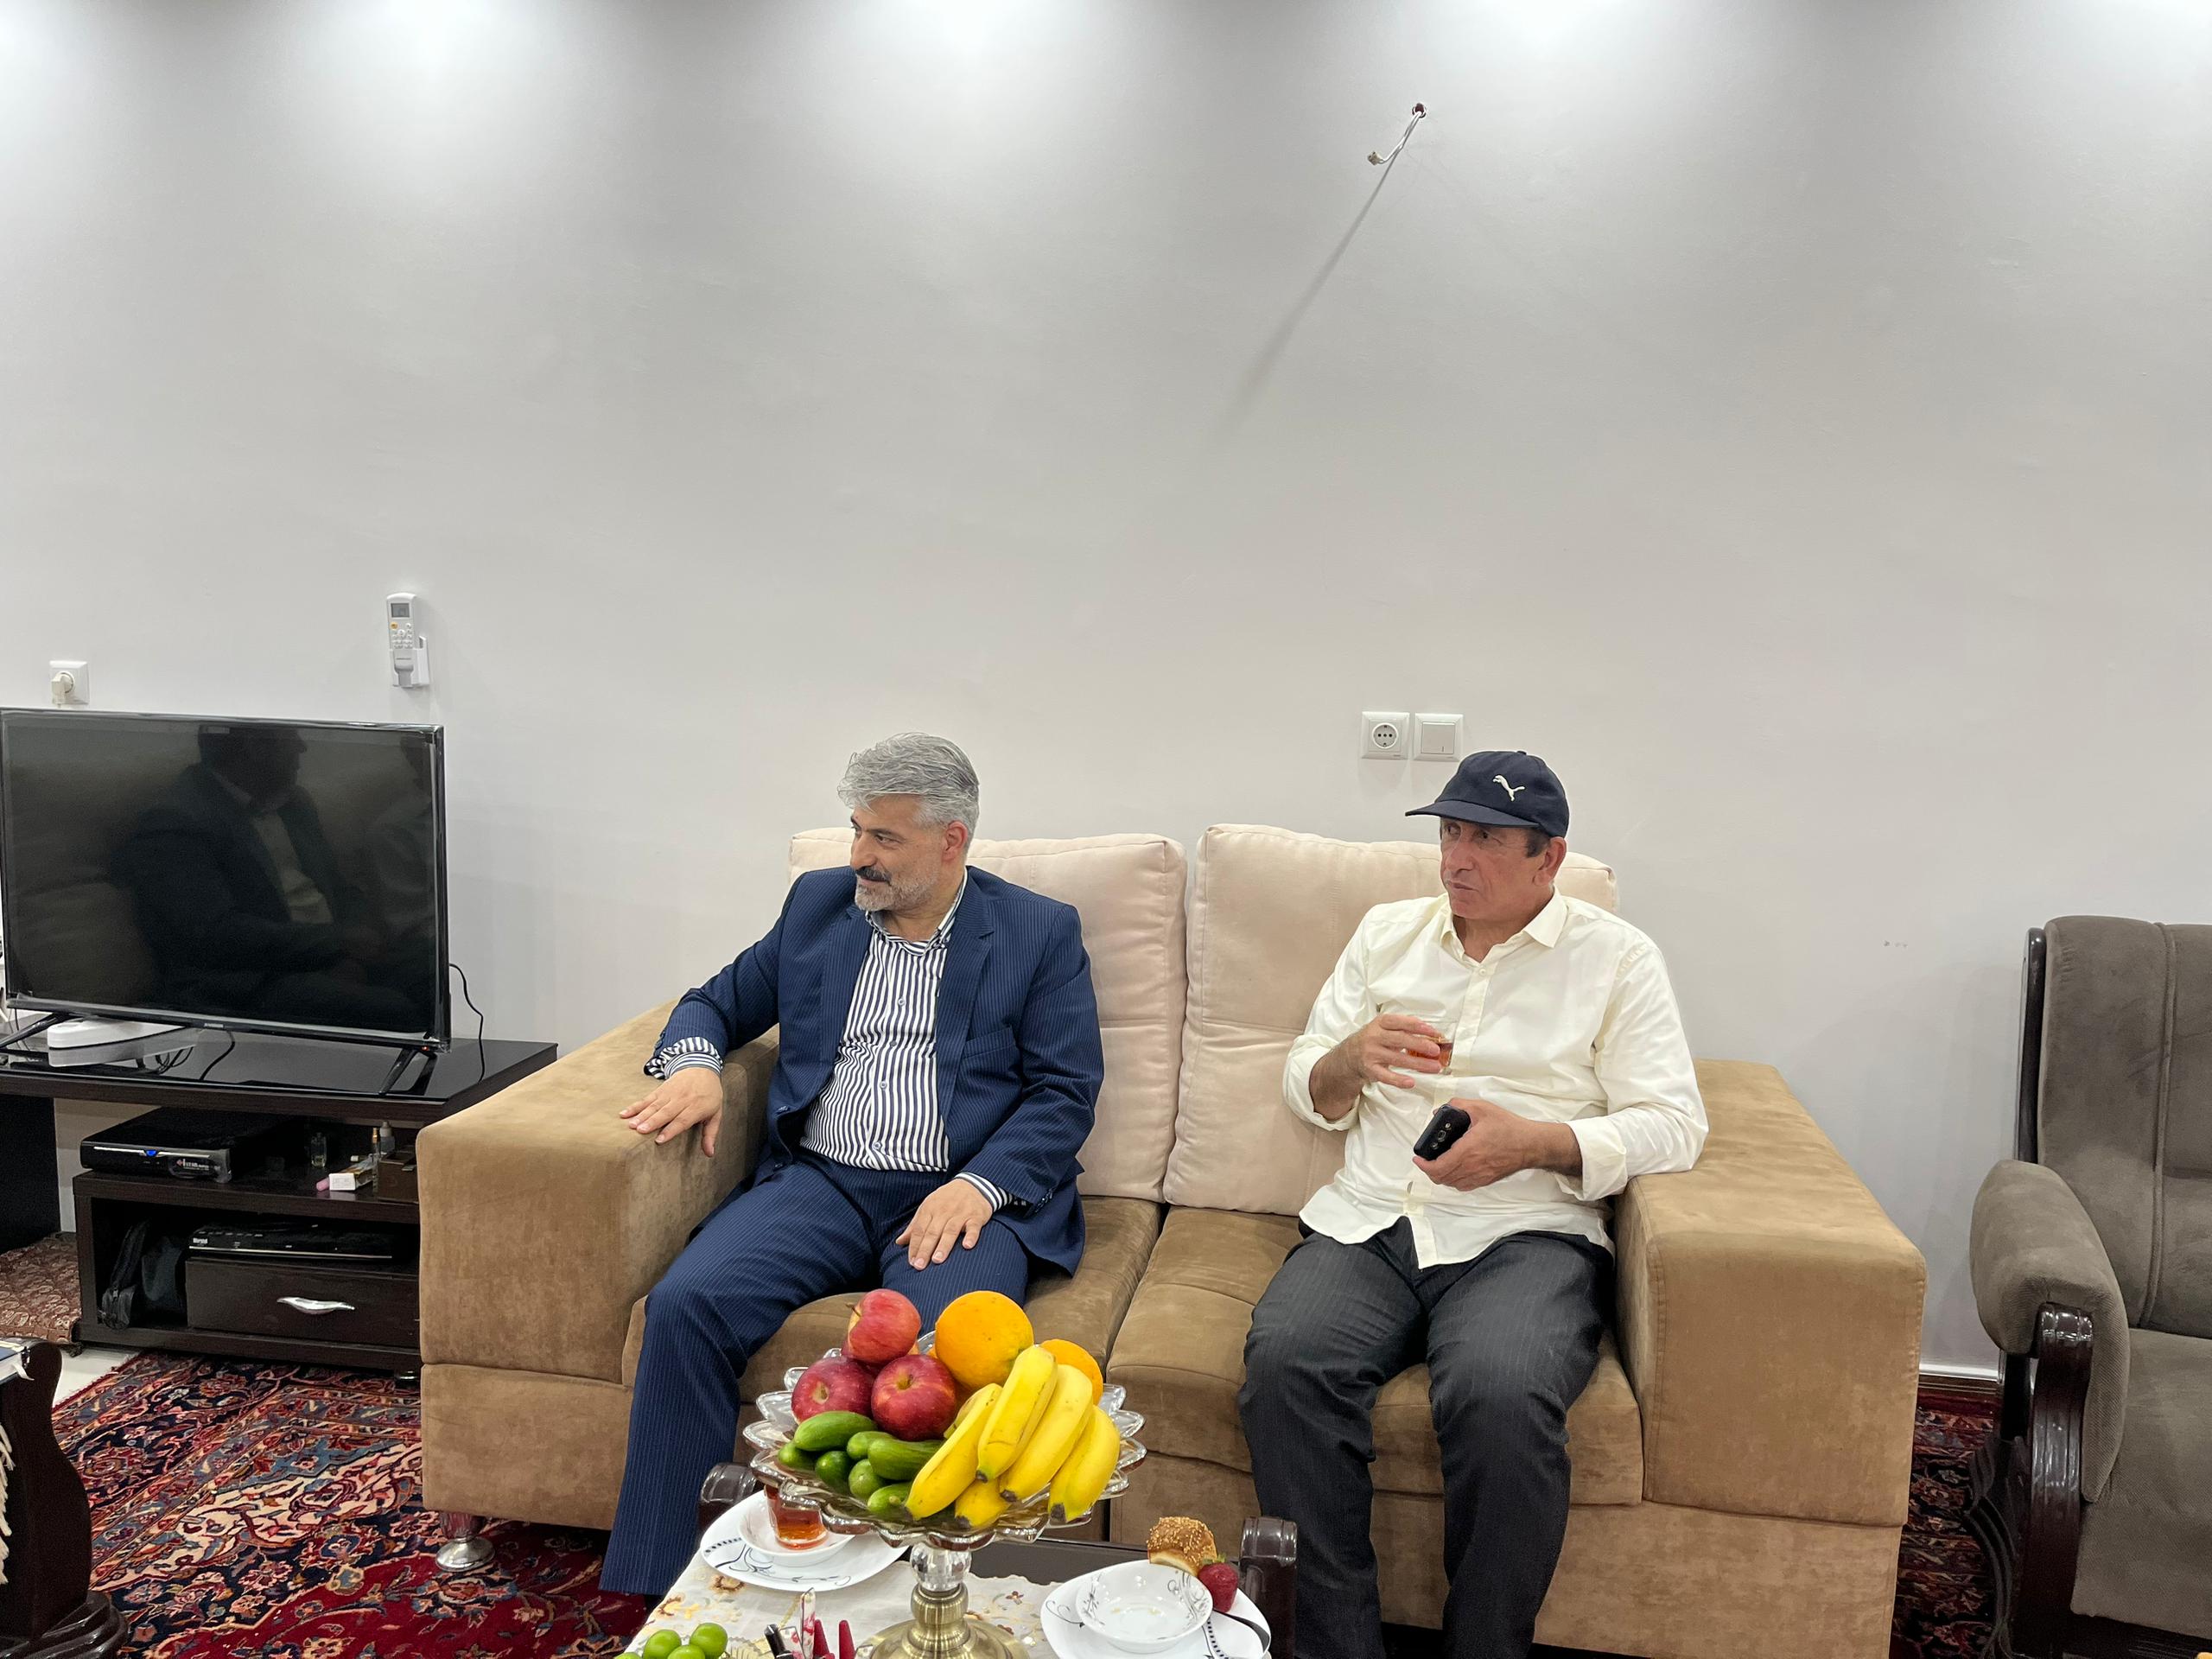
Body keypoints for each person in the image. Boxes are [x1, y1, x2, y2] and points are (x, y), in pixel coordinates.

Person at [600, 734, 1104, 1595]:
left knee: (943, 1360)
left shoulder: (1036, 931)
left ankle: (905, 1603)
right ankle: (666, 1589)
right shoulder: (819, 905)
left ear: (952, 841)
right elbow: (714, 1002)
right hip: (821, 1181)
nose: (860, 855)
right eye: (857, 830)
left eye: (885, 838)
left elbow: (1065, 1089)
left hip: (955, 1194)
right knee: (685, 1305)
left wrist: (980, 1185)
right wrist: (696, 1065)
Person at [1239, 750, 1707, 1659]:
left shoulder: (1616, 958)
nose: (1456, 859)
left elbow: (1674, 1125)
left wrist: (1534, 1142)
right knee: (1286, 1367)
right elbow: (1307, 1084)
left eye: (1486, 840)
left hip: (1526, 1233)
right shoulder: (1387, 933)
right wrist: (1349, 1058)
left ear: (1549, 857)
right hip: (1373, 1221)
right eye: (1450, 833)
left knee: (1500, 1394)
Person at [111, 724, 432, 1033]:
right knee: (394, 1011)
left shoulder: (294, 803)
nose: (302, 747)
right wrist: (337, 946)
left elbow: (342, 889)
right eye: (291, 737)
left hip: (330, 954)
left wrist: (359, 940)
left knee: (435, 975)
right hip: (249, 979)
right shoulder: (176, 821)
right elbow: (217, 935)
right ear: (256, 748)